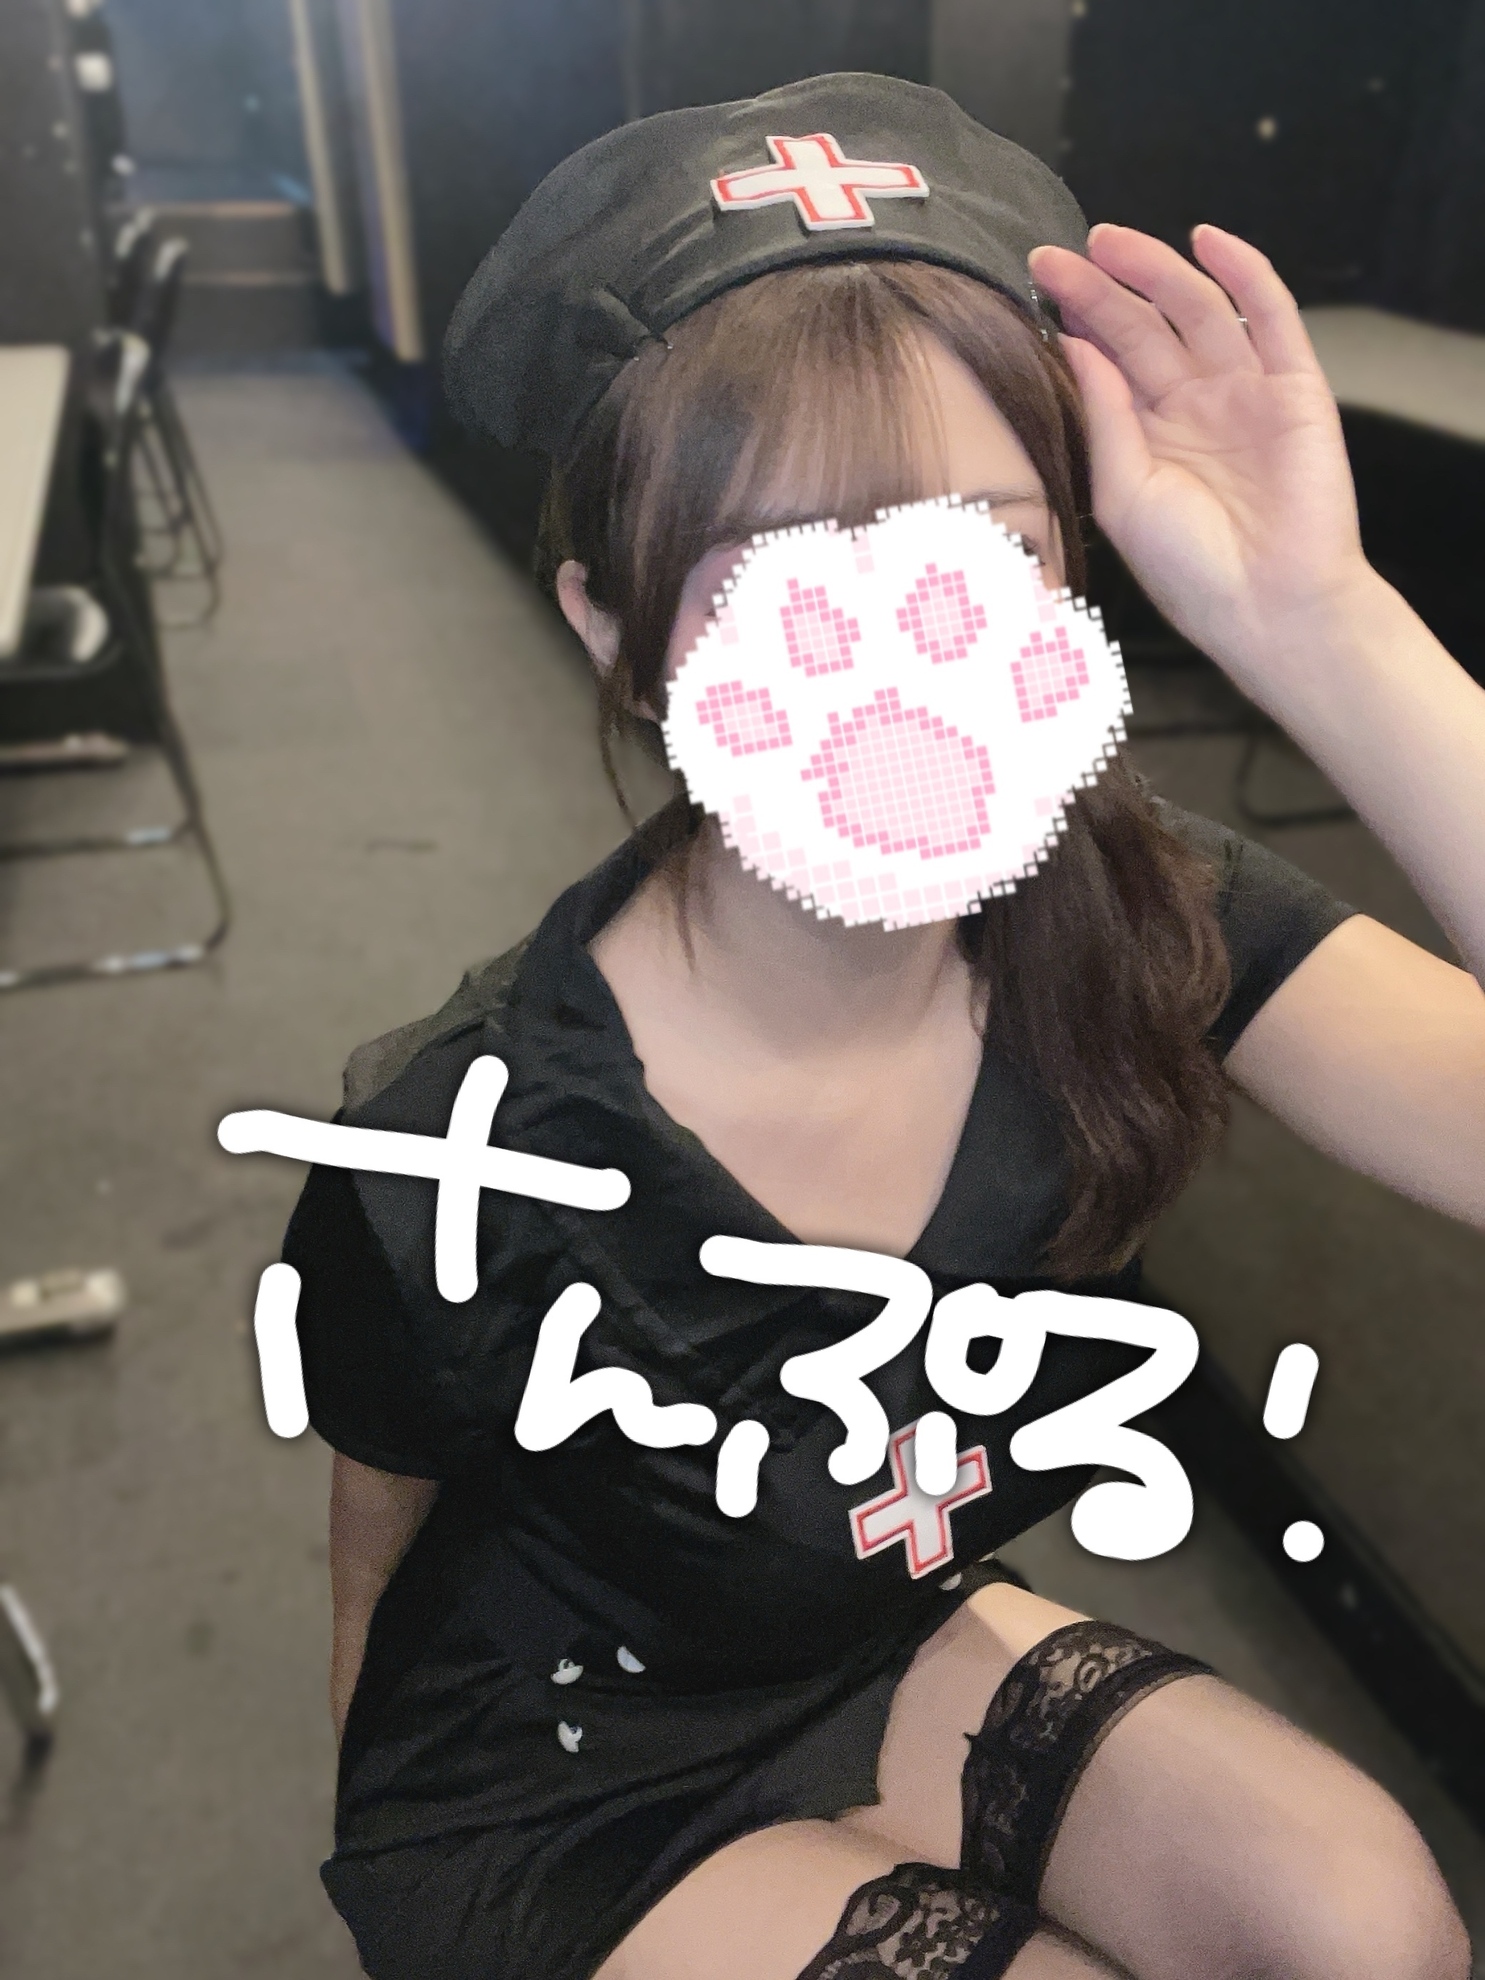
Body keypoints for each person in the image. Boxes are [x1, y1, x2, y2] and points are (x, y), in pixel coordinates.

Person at [285, 74, 1484, 1980]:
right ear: (615, 629)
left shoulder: (1134, 907)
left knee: (1369, 1926)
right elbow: (380, 1549)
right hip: (556, 1770)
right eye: (787, 579)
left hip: (873, 1635)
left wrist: (1317, 621)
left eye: (978, 553)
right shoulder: (470, 1146)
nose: (900, 674)